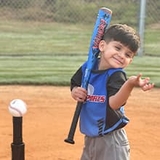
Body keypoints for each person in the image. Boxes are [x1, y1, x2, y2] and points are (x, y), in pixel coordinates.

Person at [70, 24, 154, 160]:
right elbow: (75, 83)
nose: (121, 55)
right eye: (118, 48)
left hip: (111, 139)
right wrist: (75, 92)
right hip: (91, 136)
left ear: (130, 61)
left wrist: (129, 84)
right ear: (102, 46)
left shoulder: (116, 75)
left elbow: (114, 104)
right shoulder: (88, 67)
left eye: (128, 54)